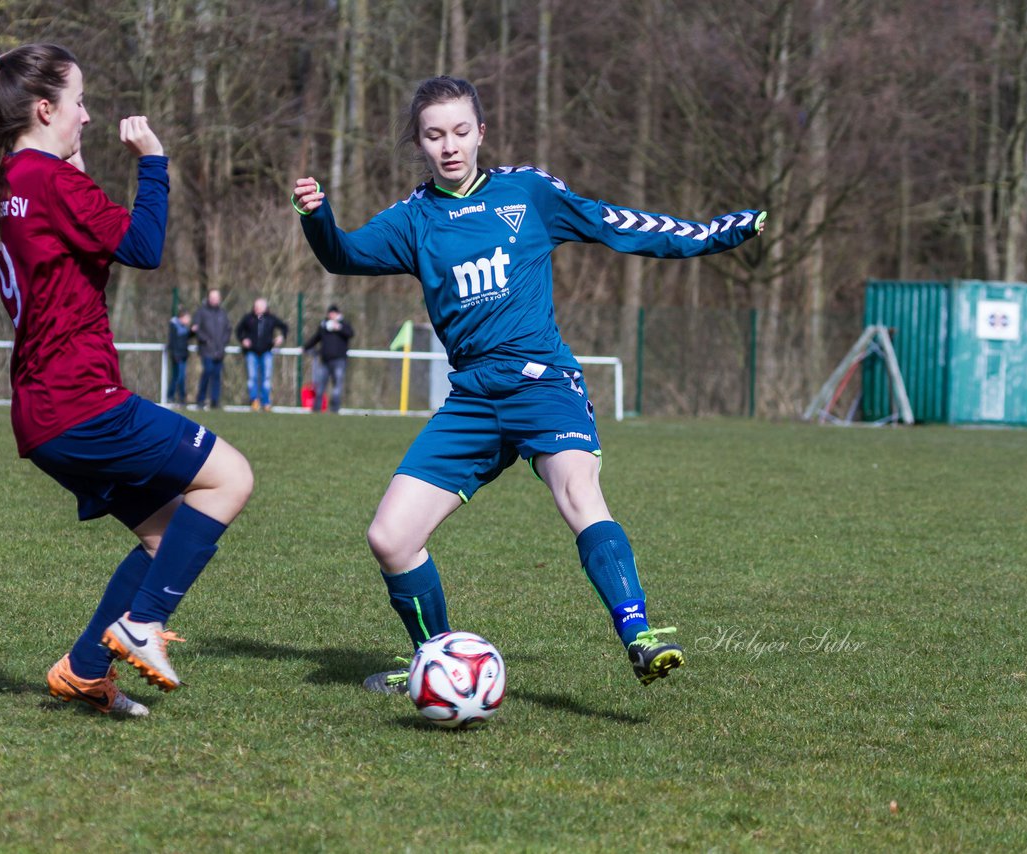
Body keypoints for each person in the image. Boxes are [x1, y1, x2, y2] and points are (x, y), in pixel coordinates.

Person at [291, 75, 766, 693]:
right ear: (419, 141)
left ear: (481, 132)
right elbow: (343, 255)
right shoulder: (413, 220)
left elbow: (617, 225)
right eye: (434, 135)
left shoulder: (527, 193)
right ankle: (439, 663)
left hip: (543, 384)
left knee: (578, 493)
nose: (450, 146)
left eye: (461, 131)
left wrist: (714, 232)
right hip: (473, 399)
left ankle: (639, 635)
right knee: (390, 537)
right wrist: (317, 217)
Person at [0, 43, 253, 717]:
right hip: (83, 405)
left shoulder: (11, 178)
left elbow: (72, 247)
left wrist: (79, 173)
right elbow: (144, 246)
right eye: (79, 102)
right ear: (45, 107)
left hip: (43, 413)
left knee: (164, 536)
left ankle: (87, 669)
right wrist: (153, 162)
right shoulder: (51, 183)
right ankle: (140, 625)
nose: (87, 116)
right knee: (231, 477)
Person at [234, 298, 289, 411]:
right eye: (256, 306)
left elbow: (285, 327)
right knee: (252, 377)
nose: (257, 308)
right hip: (251, 353)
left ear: (265, 307)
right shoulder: (248, 318)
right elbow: (238, 330)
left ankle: (266, 402)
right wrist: (243, 339)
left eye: (259, 306)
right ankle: (254, 400)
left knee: (266, 378)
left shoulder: (271, 319)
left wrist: (281, 337)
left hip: (266, 352)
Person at [303, 304, 354, 413]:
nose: (331, 315)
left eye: (333, 313)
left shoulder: (344, 324)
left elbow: (350, 333)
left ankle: (334, 409)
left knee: (337, 386)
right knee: (320, 386)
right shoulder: (323, 326)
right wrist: (305, 347)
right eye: (330, 313)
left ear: (338, 314)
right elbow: (315, 338)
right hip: (325, 361)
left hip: (339, 360)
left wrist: (339, 328)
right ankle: (316, 408)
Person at [191, 289, 231, 409]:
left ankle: (215, 401)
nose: (214, 299)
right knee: (207, 372)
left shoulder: (223, 313)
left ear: (220, 299)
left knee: (217, 376)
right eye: (212, 297)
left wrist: (223, 343)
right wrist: (205, 340)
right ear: (208, 298)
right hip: (206, 350)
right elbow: (195, 328)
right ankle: (201, 399)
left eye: (216, 297)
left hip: (220, 350)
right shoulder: (201, 312)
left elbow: (228, 329)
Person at [166, 308, 192, 406]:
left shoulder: (184, 328)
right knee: (179, 377)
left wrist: (192, 332)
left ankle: (173, 397)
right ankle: (179, 397)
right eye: (187, 318)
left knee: (177, 377)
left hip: (183, 355)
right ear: (182, 317)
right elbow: (172, 342)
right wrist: (174, 354)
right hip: (177, 356)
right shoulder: (174, 326)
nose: (189, 320)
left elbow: (186, 338)